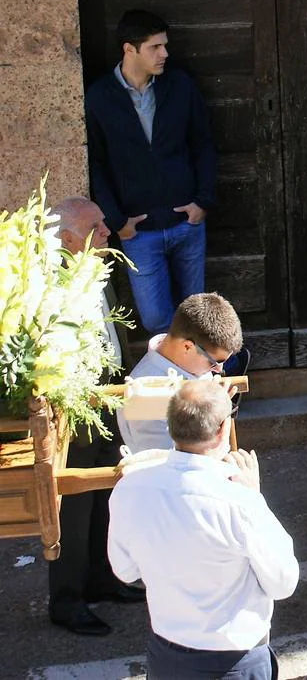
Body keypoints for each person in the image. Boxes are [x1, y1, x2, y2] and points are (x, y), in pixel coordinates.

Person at [108, 379, 298, 679]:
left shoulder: (129, 488)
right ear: (222, 429)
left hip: (167, 656)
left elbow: (125, 571)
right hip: (234, 662)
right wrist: (255, 497)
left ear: (170, 427)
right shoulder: (239, 500)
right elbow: (283, 582)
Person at [85, 9, 216, 336]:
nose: (165, 54)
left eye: (165, 45)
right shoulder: (100, 97)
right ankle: (174, 383)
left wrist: (202, 201)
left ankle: (199, 384)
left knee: (196, 316)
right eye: (155, 47)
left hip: (187, 224)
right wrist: (117, 222)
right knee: (156, 320)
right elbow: (96, 163)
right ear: (129, 49)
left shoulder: (179, 85)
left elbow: (203, 144)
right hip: (139, 232)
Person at [47, 197, 142, 636]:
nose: (107, 231)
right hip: (75, 406)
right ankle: (67, 601)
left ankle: (103, 580)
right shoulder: (51, 284)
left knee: (107, 495)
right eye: (96, 226)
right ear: (67, 238)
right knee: (74, 505)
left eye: (105, 223)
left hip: (106, 399)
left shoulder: (101, 270)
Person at [119, 292, 243, 454]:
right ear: (187, 347)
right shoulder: (143, 394)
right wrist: (219, 419)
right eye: (214, 363)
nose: (219, 370)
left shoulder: (188, 362)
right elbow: (164, 466)